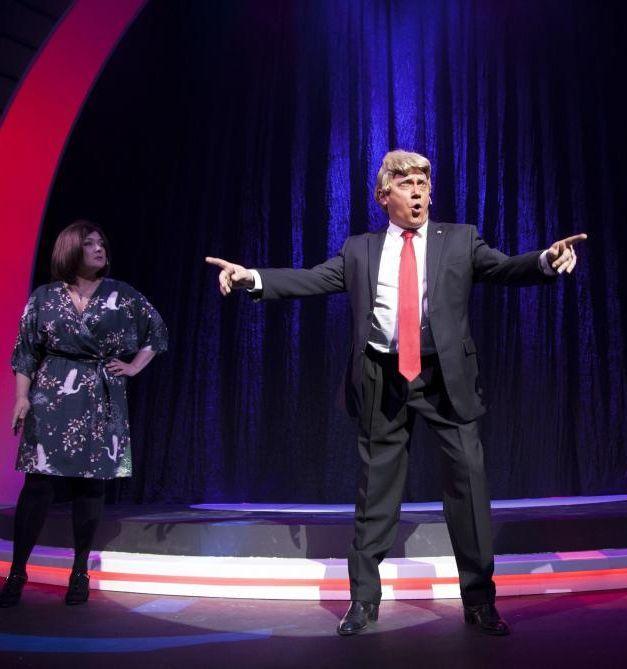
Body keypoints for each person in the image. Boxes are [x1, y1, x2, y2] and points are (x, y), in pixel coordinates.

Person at [206, 150, 586, 636]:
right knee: (376, 493)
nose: (419, 192)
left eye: (424, 184)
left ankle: (479, 602)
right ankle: (363, 601)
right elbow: (311, 279)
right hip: (382, 376)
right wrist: (252, 278)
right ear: (384, 195)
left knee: (468, 488)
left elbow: (505, 268)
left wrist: (545, 260)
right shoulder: (359, 250)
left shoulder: (460, 239)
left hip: (445, 377)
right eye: (407, 184)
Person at [1, 220, 167, 607]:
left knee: (91, 486)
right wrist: (21, 398)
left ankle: (79, 572)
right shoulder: (45, 297)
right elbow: (26, 351)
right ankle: (17, 572)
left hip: (100, 395)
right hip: (51, 396)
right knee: (38, 484)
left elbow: (157, 332)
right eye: (89, 243)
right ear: (70, 250)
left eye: (101, 243)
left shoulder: (122, 295)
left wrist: (134, 366)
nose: (99, 248)